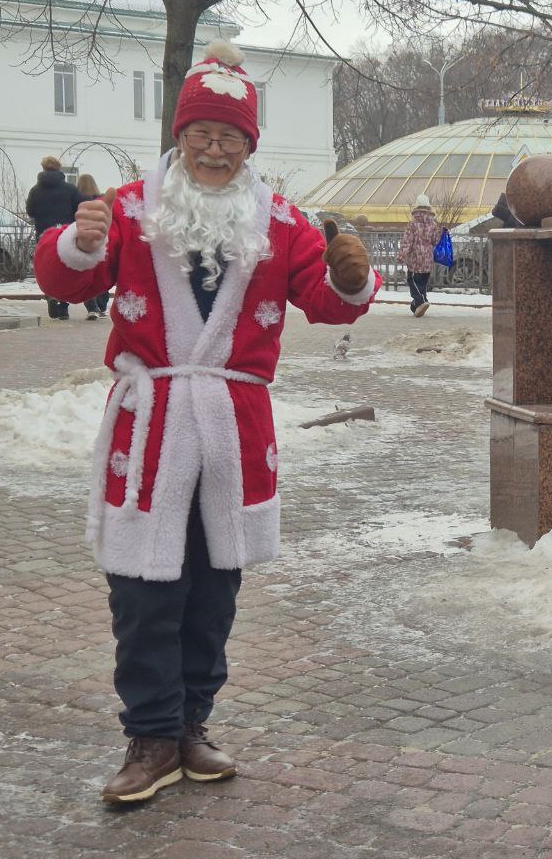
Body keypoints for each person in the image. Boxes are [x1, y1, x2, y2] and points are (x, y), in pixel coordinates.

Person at [33, 40, 381, 805]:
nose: (215, 151)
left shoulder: (282, 221)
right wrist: (77, 242)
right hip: (152, 423)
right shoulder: (126, 208)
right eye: (202, 136)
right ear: (180, 137)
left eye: (230, 138)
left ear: (249, 145)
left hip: (231, 426)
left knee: (214, 588)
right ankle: (150, 735)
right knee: (143, 589)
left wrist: (352, 281)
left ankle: (193, 725)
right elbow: (63, 275)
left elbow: (323, 300)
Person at [27, 156, 85, 320]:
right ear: (59, 169)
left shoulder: (35, 190)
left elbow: (31, 211)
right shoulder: (70, 189)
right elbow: (79, 209)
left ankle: (51, 295)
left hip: (44, 234)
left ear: (43, 169)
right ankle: (64, 306)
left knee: (47, 267)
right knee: (65, 269)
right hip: (65, 234)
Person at [398, 194, 441, 317]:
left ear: (417, 207)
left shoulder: (413, 224)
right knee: (422, 283)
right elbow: (435, 241)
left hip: (415, 259)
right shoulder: (433, 224)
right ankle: (417, 305)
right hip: (428, 258)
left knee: (413, 281)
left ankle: (422, 301)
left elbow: (407, 241)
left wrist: (402, 255)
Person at [75, 174, 111, 320]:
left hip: (84, 241)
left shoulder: (77, 200)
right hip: (102, 239)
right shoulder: (101, 200)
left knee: (87, 274)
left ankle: (92, 307)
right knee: (101, 272)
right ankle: (103, 305)